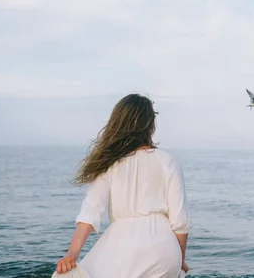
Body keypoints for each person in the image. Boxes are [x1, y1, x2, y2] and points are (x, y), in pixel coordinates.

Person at [55, 94, 190, 278]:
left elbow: (91, 211)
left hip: (125, 245)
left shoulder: (109, 162)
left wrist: (72, 254)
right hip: (165, 249)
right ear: (150, 124)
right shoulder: (168, 160)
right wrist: (179, 261)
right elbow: (180, 222)